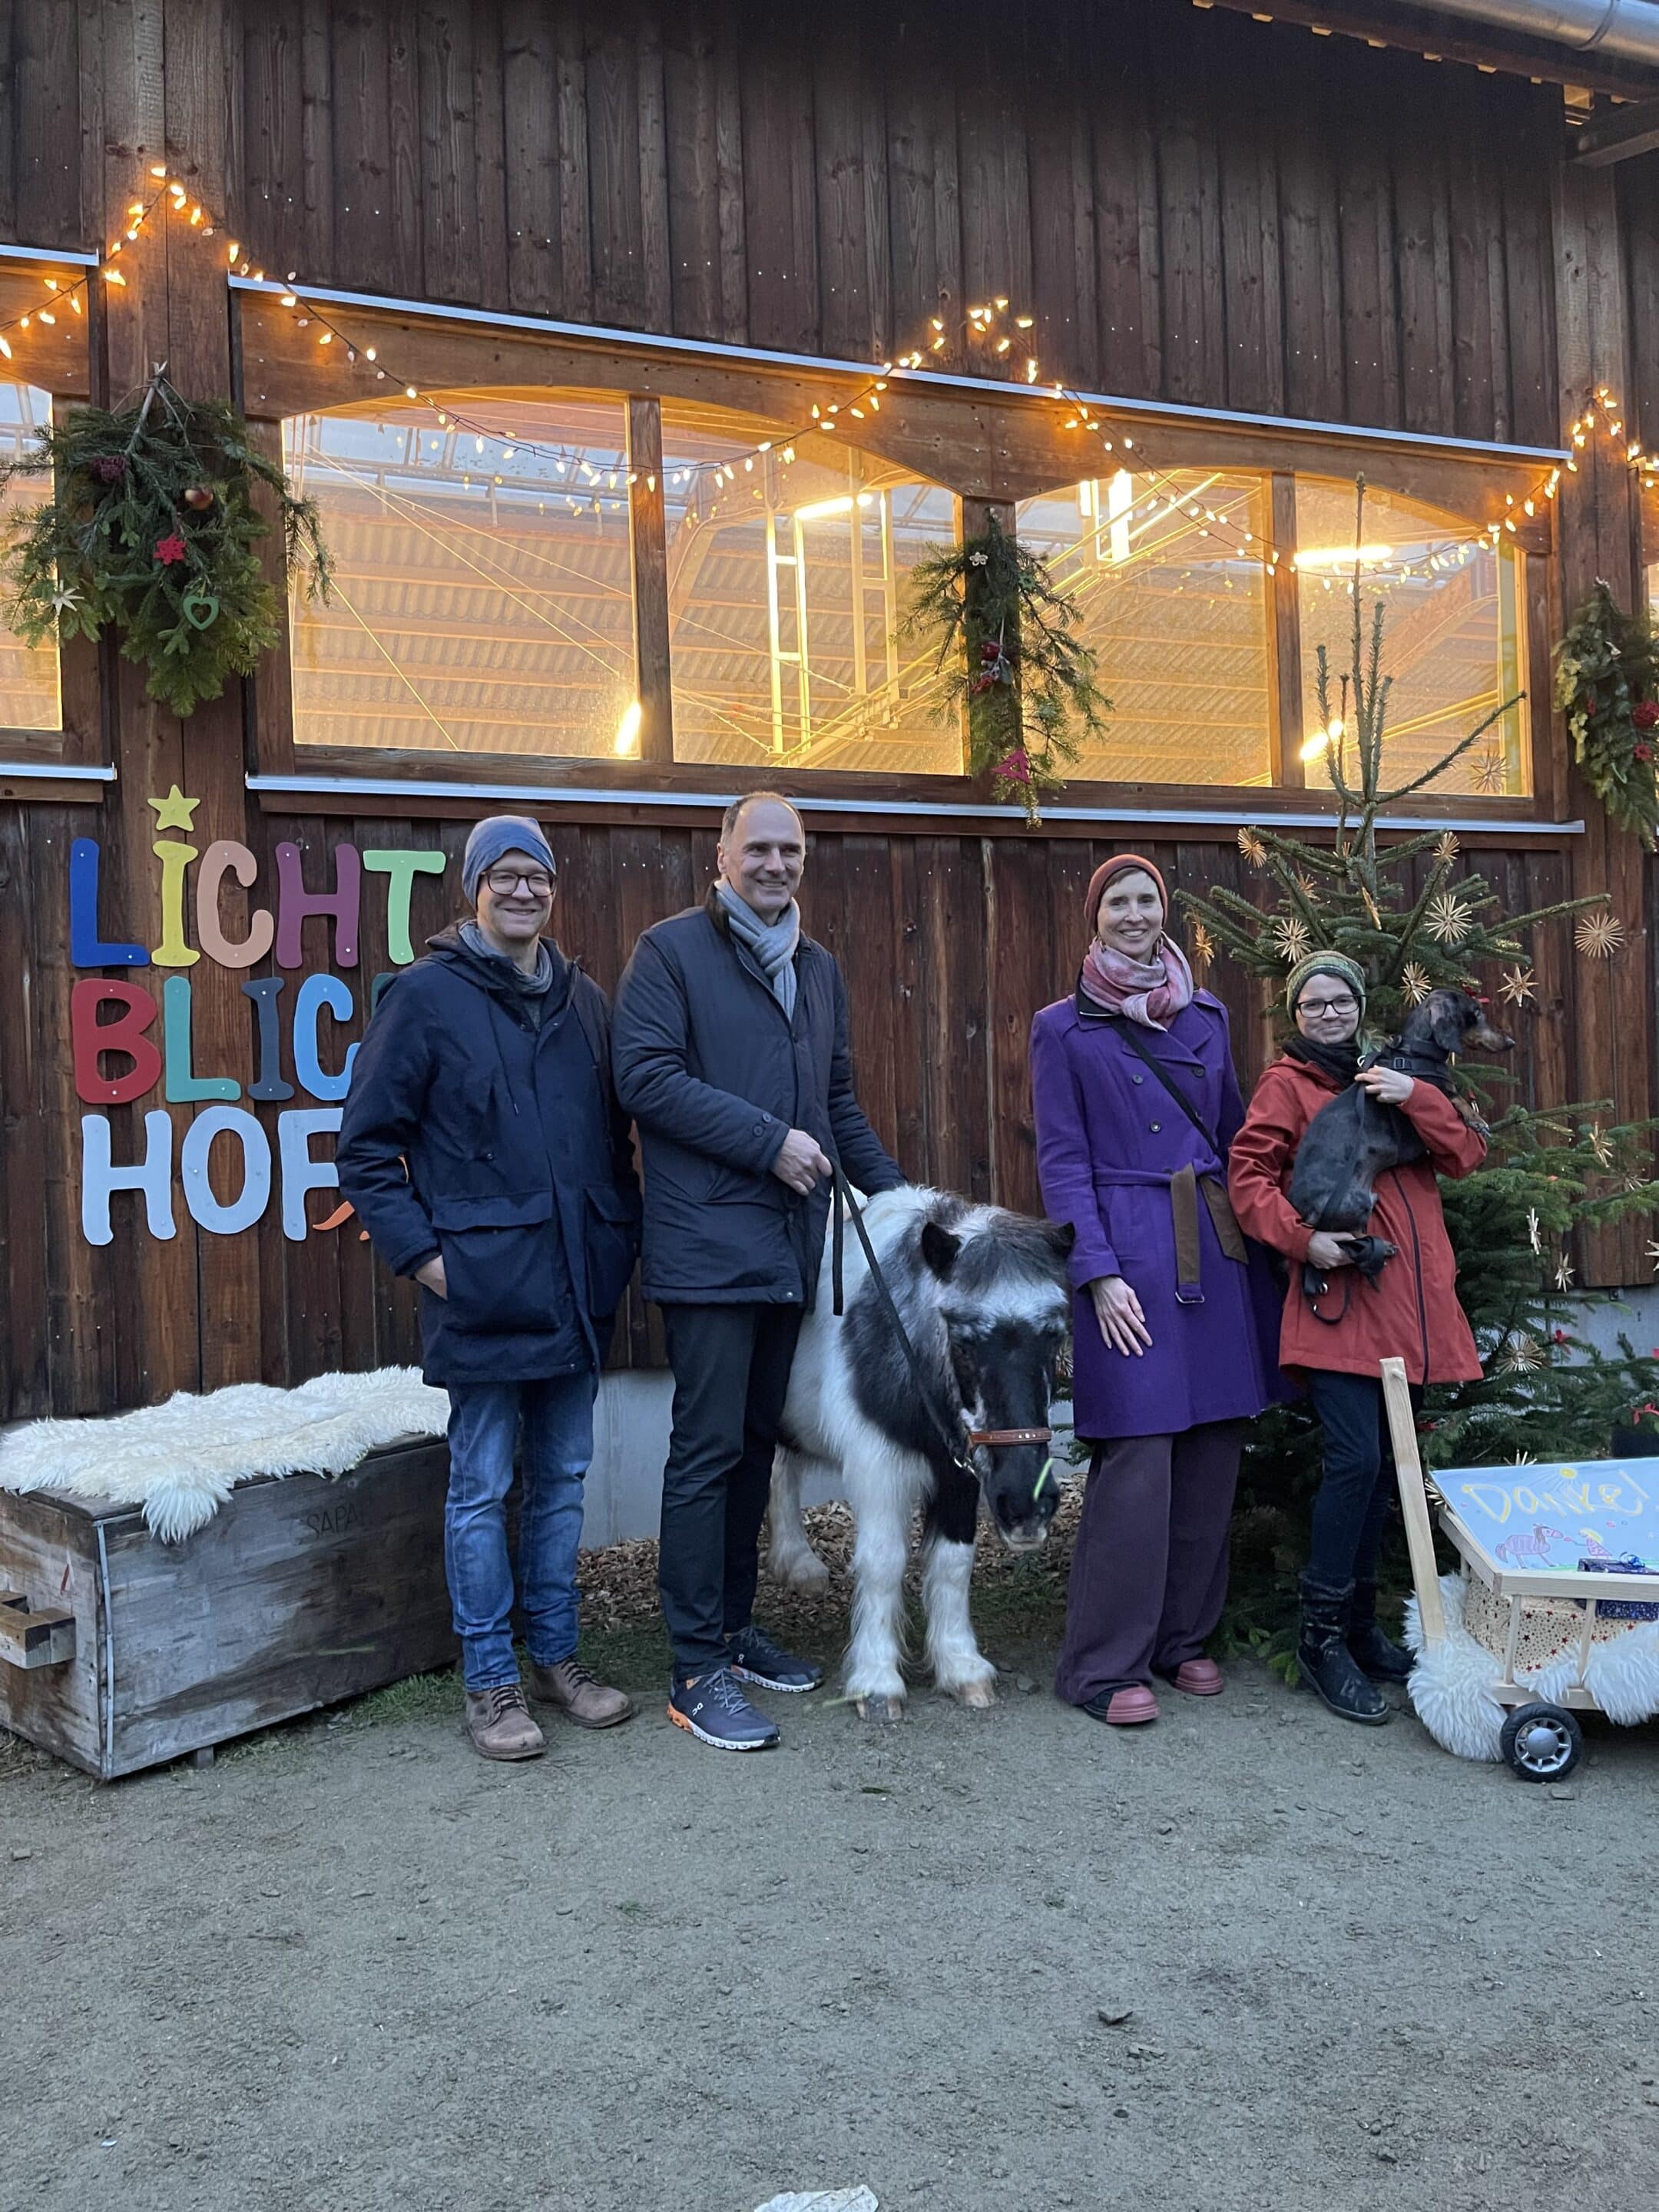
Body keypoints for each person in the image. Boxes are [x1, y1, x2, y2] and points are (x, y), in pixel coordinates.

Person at [337, 815, 641, 1763]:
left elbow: (614, 1142)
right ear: (473, 889)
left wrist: (615, 1241)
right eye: (503, 875)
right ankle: (491, 1682)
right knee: (480, 1489)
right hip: (480, 1291)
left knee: (562, 1484)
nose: (522, 891)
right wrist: (428, 1261)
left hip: (574, 1288)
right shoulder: (424, 998)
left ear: (554, 889)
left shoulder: (585, 1002)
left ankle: (555, 1658)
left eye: (536, 876)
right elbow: (365, 1150)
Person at [611, 790, 903, 1753]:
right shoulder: (670, 953)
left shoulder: (816, 968)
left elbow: (836, 1103)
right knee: (706, 1453)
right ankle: (695, 1665)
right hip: (707, 1249)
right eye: (759, 848)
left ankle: (734, 1631)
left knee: (751, 1445)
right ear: (723, 854)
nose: (776, 864)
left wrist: (902, 1207)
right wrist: (769, 1142)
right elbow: (645, 1078)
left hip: (790, 1247)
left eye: (791, 850)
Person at [1029, 855, 1277, 1727]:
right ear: (1095, 916)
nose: (1134, 914)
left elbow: (1238, 1140)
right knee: (1137, 1453)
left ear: (1163, 911)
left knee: (1213, 1448)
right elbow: (1063, 1162)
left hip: (1213, 1244)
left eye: (1147, 900)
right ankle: (1103, 1665)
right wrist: (1096, 1274)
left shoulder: (1206, 1016)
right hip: (1127, 1250)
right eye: (1118, 902)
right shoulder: (1063, 1028)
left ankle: (1181, 1638)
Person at [1227, 951, 1486, 1724]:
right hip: (1339, 1302)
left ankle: (1361, 1628)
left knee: (1384, 1477)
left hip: (1408, 1306)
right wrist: (1302, 1241)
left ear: (1359, 1008)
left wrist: (1416, 1097)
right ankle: (1322, 1640)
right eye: (1313, 1004)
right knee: (1358, 1462)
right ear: (1296, 1014)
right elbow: (1248, 1177)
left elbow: (1466, 1155)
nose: (1329, 1014)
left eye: (1340, 1001)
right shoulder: (1286, 1085)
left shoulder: (1400, 1075)